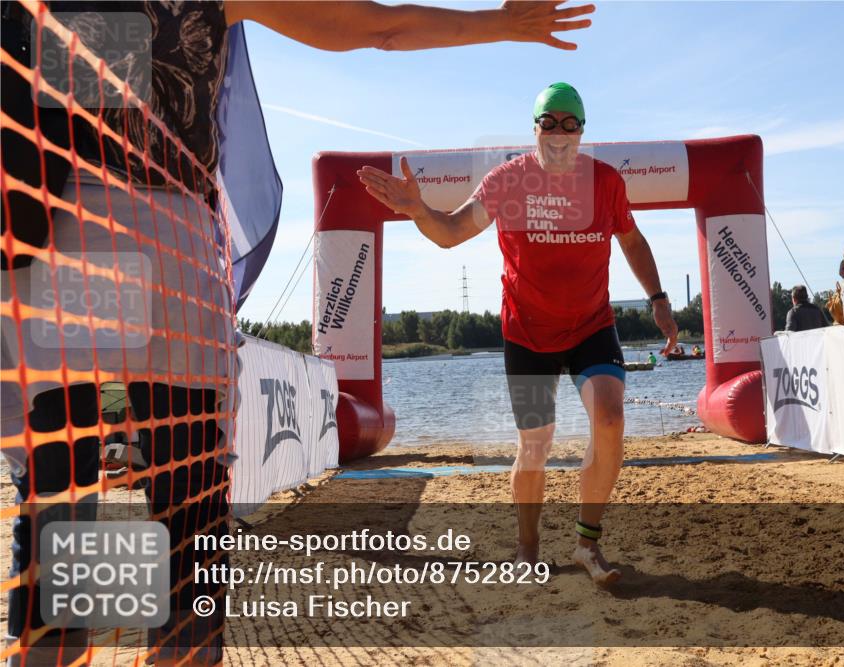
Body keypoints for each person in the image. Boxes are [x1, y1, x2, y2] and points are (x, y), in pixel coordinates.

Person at [2, 3, 597, 665]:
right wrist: (498, 24)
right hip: (166, 238)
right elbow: (376, 27)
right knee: (185, 517)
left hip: (60, 237)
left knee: (62, 506)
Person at [358, 83, 678, 586]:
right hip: (527, 333)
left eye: (569, 123)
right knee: (535, 445)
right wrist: (418, 210)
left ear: (582, 131)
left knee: (611, 419)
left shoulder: (606, 182)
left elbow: (632, 241)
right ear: (535, 129)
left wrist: (657, 299)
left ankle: (586, 544)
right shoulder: (507, 182)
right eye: (549, 122)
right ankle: (527, 549)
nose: (559, 131)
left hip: (591, 326)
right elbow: (451, 232)